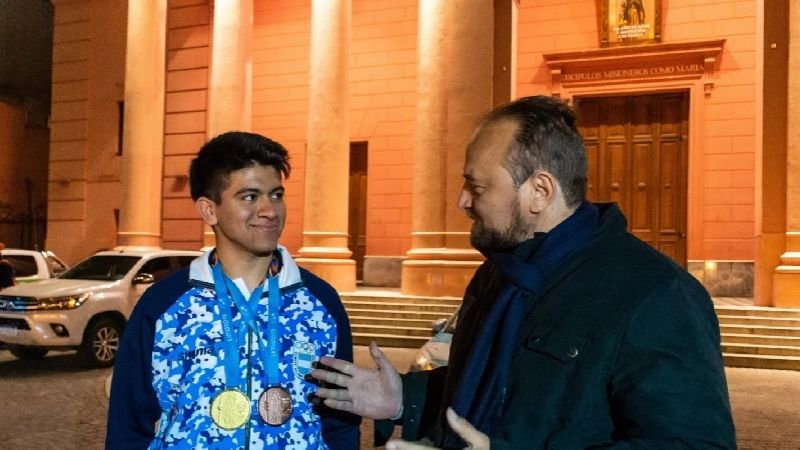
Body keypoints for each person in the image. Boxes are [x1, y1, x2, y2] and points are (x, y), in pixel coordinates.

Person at [311, 96, 736, 449]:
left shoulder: (654, 293)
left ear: (539, 191)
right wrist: (406, 397)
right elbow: (501, 391)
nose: (462, 201)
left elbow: (692, 444)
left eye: (477, 187)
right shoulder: (500, 274)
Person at [107, 131, 360, 449]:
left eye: (277, 195)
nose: (270, 210)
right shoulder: (163, 305)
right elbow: (128, 424)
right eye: (250, 196)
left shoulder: (321, 302)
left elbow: (340, 421)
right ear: (209, 209)